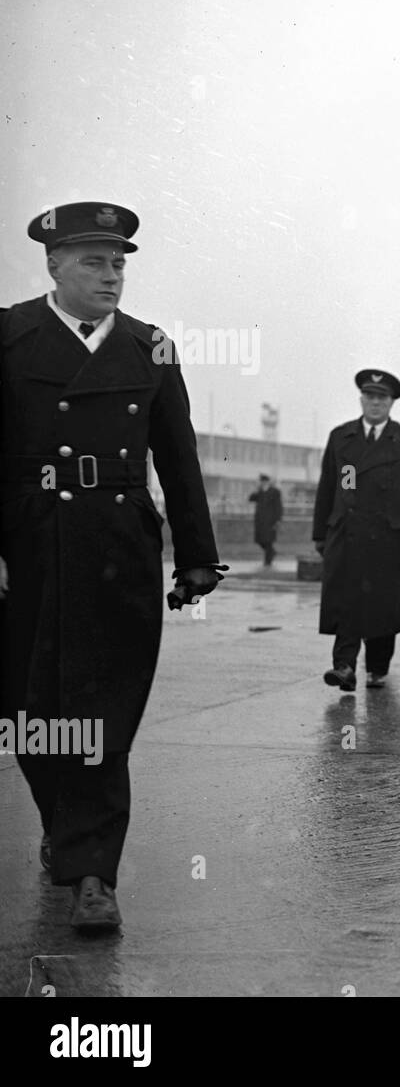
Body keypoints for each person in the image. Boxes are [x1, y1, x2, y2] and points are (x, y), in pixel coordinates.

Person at [1, 202, 223, 930]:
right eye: (93, 261)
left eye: (119, 261)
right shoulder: (10, 336)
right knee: (30, 714)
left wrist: (196, 558)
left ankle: (94, 873)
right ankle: (64, 827)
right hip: (29, 543)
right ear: (54, 266)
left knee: (103, 712)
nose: (111, 274)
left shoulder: (150, 346)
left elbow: (178, 456)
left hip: (118, 545)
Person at [313, 370, 400, 691]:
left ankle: (376, 668)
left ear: (391, 403)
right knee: (346, 601)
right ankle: (344, 665)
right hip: (346, 535)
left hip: (388, 539)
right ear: (361, 399)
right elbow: (327, 488)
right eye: (370, 396)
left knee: (383, 608)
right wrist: (320, 534)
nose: (375, 403)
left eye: (383, 398)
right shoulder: (341, 437)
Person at [248, 473, 283, 568]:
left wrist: (278, 520)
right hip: (260, 521)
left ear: (268, 482)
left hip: (270, 521)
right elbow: (251, 499)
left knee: (268, 541)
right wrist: (255, 489)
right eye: (261, 481)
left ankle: (267, 562)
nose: (263, 483)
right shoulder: (259, 492)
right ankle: (272, 553)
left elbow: (278, 506)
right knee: (260, 540)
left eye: (264, 481)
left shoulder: (275, 492)